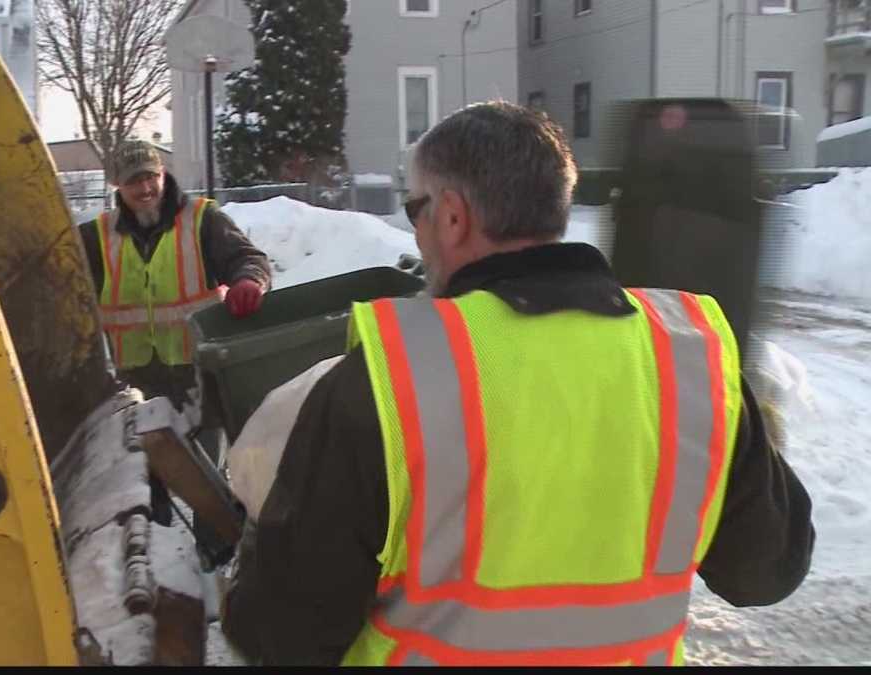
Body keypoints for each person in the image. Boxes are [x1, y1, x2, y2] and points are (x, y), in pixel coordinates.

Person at [220, 101, 815, 666]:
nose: (418, 231)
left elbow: (286, 635)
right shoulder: (690, 363)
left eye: (415, 209)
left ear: (453, 216)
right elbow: (766, 572)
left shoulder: (387, 381)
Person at [78, 140, 272, 411]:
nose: (145, 189)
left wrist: (249, 280)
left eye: (151, 177)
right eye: (134, 181)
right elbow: (67, 290)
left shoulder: (203, 218)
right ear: (117, 186)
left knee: (205, 453)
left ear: (162, 174)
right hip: (131, 383)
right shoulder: (96, 236)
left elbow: (246, 258)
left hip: (200, 375)